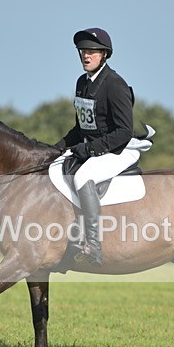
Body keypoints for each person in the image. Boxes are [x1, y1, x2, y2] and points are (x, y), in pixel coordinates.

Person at [53, 28, 139, 267]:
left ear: (104, 55)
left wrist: (89, 150)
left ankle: (92, 244)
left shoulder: (115, 84)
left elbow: (124, 132)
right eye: (83, 51)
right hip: (97, 147)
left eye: (92, 51)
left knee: (82, 176)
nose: (85, 56)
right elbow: (81, 126)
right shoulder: (82, 82)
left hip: (120, 149)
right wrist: (56, 148)